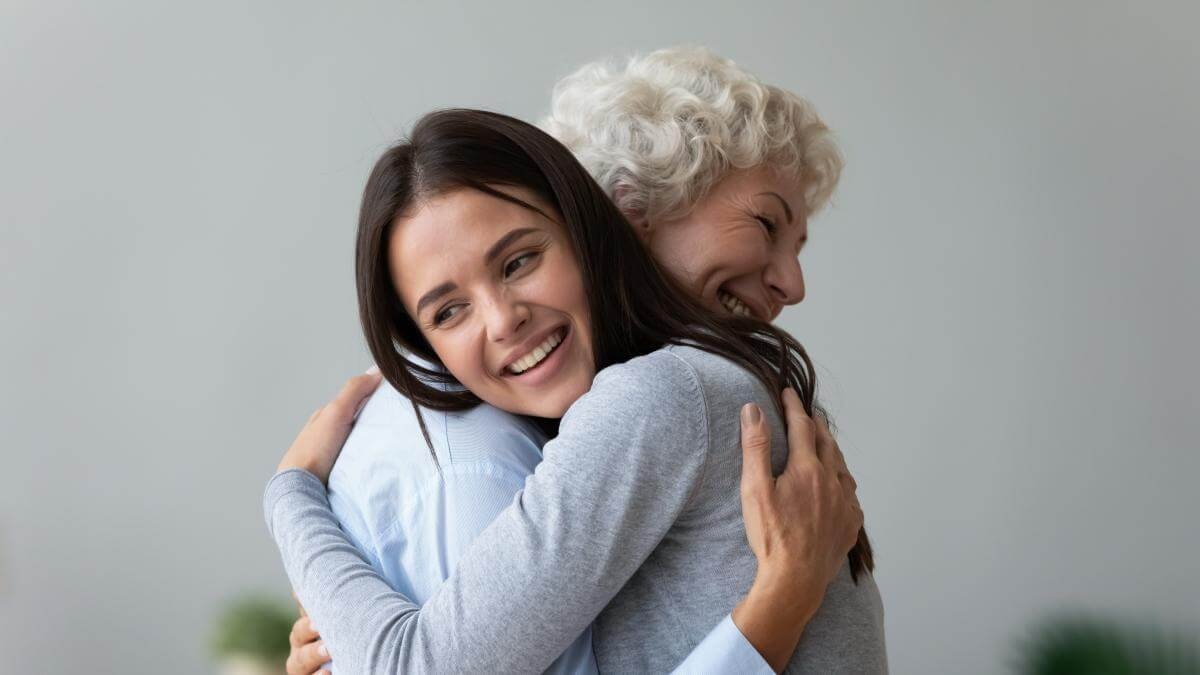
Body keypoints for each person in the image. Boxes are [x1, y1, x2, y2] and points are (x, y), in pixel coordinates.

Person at [267, 108, 886, 673]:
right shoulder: (703, 383)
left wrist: (291, 496)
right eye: (449, 312)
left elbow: (419, 668)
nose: (503, 319)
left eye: (519, 262)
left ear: (586, 229)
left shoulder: (659, 397)